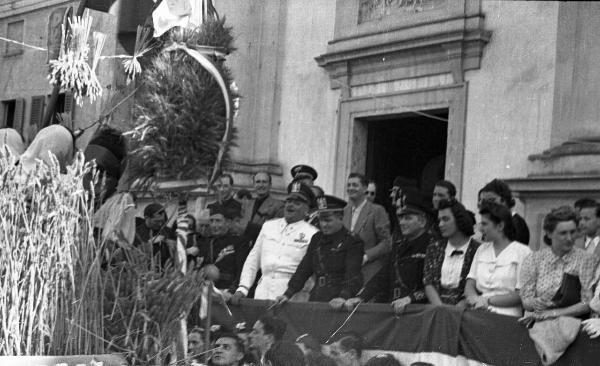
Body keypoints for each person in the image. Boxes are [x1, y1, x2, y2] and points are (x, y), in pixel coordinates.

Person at [343, 191, 436, 314]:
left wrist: (411, 299)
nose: (402, 222)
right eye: (401, 218)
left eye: (408, 218)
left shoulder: (433, 246)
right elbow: (383, 276)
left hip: (419, 311)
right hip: (394, 309)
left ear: (422, 222)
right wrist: (361, 297)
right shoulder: (398, 246)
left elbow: (435, 285)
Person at [231, 182, 318, 302]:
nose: (290, 205)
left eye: (296, 203)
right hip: (263, 291)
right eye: (288, 201)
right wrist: (243, 288)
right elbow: (253, 259)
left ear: (306, 209)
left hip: (292, 296)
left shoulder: (312, 233)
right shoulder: (269, 226)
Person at [275, 195, 364, 305]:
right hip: (317, 296)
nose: (323, 225)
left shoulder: (352, 241)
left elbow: (353, 274)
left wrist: (343, 297)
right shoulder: (317, 238)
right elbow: (304, 268)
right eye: (321, 220)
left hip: (340, 301)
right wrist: (288, 293)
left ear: (340, 218)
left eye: (328, 221)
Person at [519, 206, 596, 323]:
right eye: (563, 233)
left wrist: (553, 313)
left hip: (572, 326)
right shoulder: (533, 259)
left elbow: (587, 303)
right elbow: (526, 300)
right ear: (549, 234)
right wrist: (535, 303)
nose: (569, 238)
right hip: (539, 324)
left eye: (573, 232)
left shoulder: (586, 260)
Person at [464, 202, 531, 317]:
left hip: (507, 316)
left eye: (485, 224)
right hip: (478, 312)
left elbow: (521, 294)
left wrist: (487, 301)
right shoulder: (481, 250)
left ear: (500, 226)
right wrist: (474, 300)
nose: (480, 228)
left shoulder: (523, 252)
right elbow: (470, 284)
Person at [423, 199, 480, 306]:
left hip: (466, 311)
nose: (440, 224)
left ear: (459, 220)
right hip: (436, 309)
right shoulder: (434, 247)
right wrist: (440, 307)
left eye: (445, 219)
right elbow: (428, 283)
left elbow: (478, 286)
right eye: (439, 220)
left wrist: (458, 309)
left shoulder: (478, 250)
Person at [343, 173, 391, 284]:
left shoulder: (376, 210)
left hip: (368, 272)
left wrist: (366, 256)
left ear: (364, 188)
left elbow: (387, 242)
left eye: (355, 185)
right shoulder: (344, 211)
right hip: (346, 274)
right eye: (349, 185)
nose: (351, 188)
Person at [197, 206, 246, 293]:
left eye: (218, 221)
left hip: (228, 292)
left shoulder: (238, 242)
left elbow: (241, 270)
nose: (214, 225)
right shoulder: (206, 243)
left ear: (227, 222)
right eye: (211, 221)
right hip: (206, 291)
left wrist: (233, 291)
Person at [478, 178, 530, 245]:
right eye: (484, 201)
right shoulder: (494, 221)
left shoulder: (516, 224)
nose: (486, 205)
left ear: (504, 200)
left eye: (491, 200)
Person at [133, 202, 176, 271]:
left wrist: (173, 243)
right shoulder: (136, 233)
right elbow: (134, 254)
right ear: (147, 218)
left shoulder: (168, 231)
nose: (160, 224)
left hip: (167, 271)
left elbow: (179, 250)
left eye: (162, 221)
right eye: (156, 221)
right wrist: (149, 243)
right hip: (146, 271)